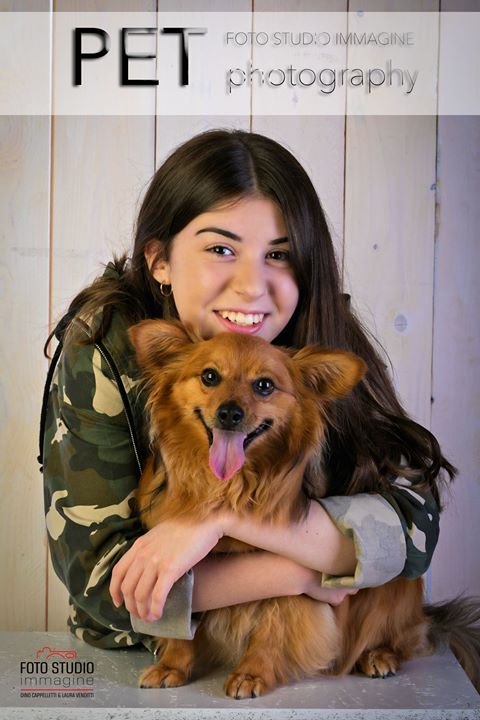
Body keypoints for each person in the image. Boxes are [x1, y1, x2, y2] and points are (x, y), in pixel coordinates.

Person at [41, 128, 455, 652]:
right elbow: (103, 587)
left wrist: (219, 518)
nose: (252, 285)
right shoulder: (106, 344)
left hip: (301, 649)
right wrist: (298, 573)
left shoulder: (319, 336)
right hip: (152, 654)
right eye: (221, 248)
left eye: (279, 255)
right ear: (159, 261)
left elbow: (416, 533)